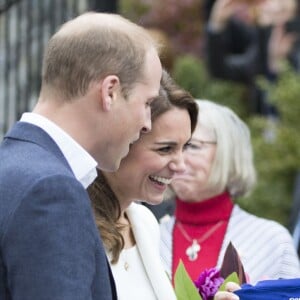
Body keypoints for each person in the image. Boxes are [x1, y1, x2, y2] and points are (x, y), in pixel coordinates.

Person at [0, 12, 162, 300]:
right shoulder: (51, 190)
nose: (147, 123)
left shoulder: (13, 166)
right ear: (110, 91)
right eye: (147, 102)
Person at [160, 99, 300, 285]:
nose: (178, 160)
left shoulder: (272, 241)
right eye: (170, 147)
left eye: (191, 146)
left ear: (227, 152)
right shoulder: (146, 235)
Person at [87, 70, 198, 300]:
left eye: (185, 147)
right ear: (122, 140)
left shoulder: (145, 222)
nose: (180, 166)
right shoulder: (77, 227)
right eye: (165, 149)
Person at [204, 0, 299, 116]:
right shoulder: (260, 52)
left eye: (282, 9)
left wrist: (280, 68)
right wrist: (217, 25)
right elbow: (220, 70)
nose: (272, 8)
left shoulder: (296, 56)